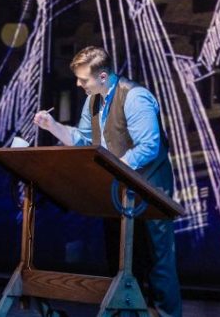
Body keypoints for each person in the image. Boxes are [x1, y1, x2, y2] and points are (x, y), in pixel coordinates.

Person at [34, 46, 182, 317]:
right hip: (118, 188)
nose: (78, 84)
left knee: (157, 257)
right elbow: (82, 140)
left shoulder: (135, 97)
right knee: (120, 256)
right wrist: (52, 126)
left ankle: (165, 314)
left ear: (102, 76)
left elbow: (149, 146)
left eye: (83, 79)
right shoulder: (93, 101)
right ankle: (127, 312)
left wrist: (115, 167)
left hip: (150, 186)